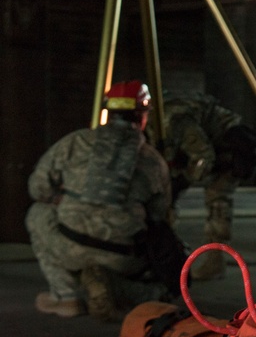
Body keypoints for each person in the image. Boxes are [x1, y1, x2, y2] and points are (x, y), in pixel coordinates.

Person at [26, 81, 174, 321]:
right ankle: (115, 286)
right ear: (143, 116)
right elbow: (159, 214)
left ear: (108, 111)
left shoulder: (75, 141)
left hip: (70, 245)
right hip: (123, 257)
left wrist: (59, 199)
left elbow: (37, 187)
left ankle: (67, 296)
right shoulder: (154, 160)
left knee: (37, 213)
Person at [157, 91, 256, 280]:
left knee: (218, 201)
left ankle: (215, 261)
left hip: (230, 148)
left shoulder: (176, 121)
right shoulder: (151, 124)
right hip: (203, 148)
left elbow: (204, 157)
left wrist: (183, 180)